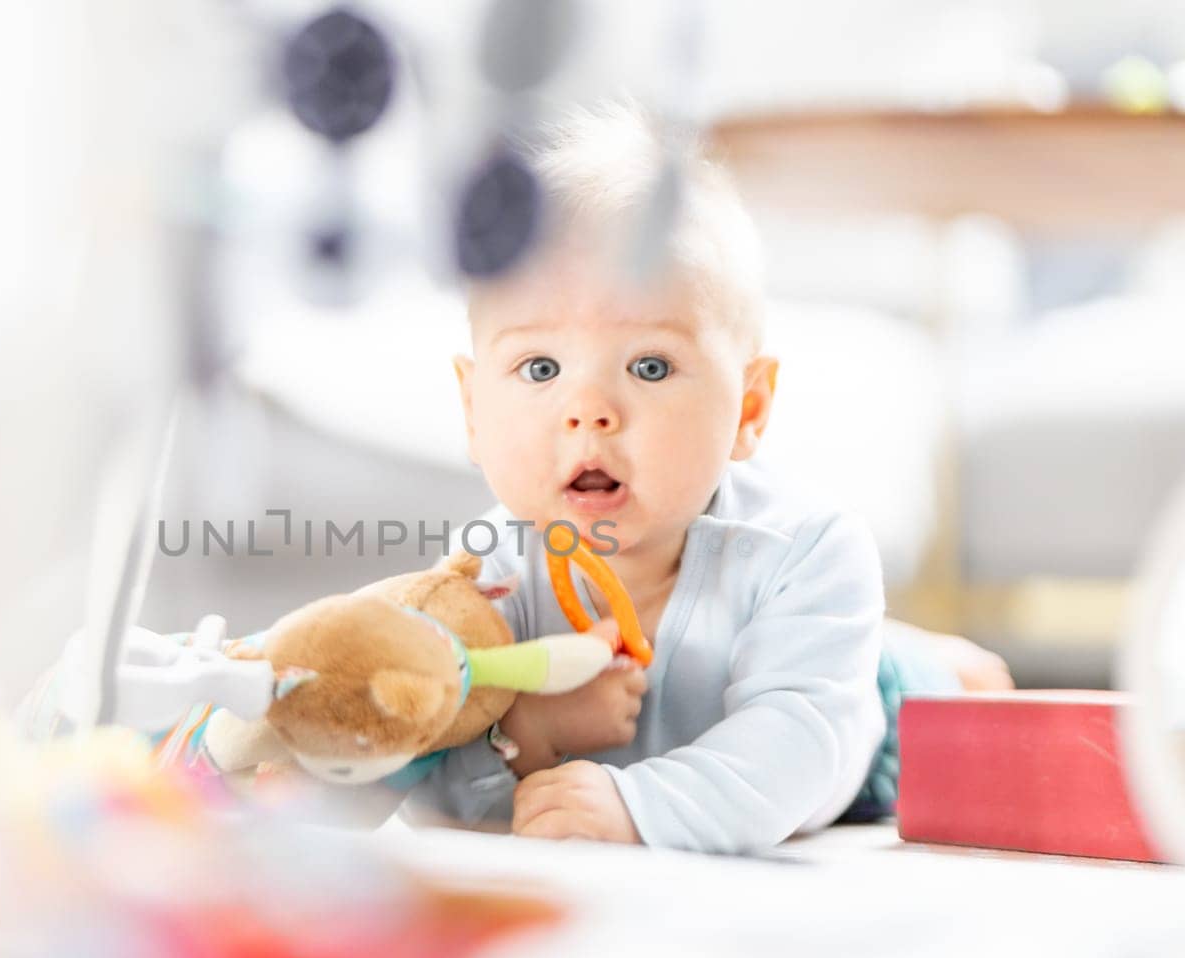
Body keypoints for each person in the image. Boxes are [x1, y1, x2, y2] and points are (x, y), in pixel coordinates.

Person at [406, 101, 1011, 852]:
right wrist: (528, 734)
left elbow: (797, 751)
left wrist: (638, 805)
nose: (588, 410)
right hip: (777, 658)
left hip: (858, 729)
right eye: (540, 367)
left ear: (749, 407)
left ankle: (931, 662)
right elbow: (425, 765)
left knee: (927, 706)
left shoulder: (804, 549)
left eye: (650, 366)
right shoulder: (482, 577)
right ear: (472, 407)